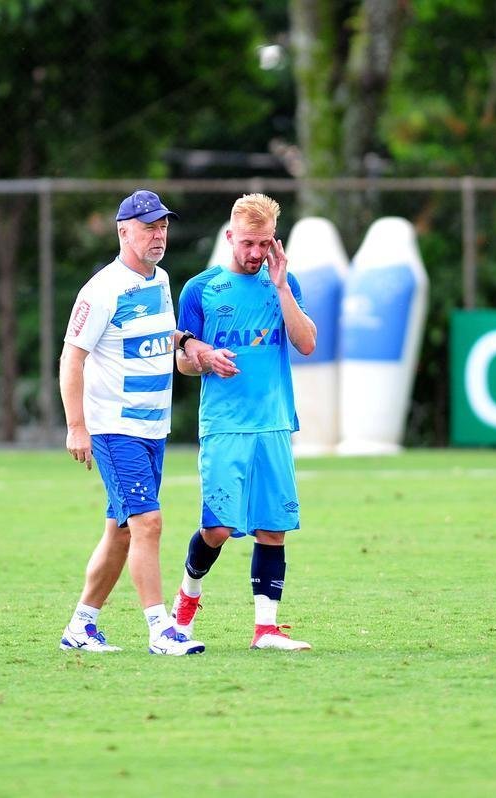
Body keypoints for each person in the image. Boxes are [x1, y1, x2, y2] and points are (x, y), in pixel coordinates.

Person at [57, 189, 204, 656]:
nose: (158, 235)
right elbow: (70, 358)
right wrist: (76, 426)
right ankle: (161, 631)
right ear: (124, 232)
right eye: (148, 227)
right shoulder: (102, 289)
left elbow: (162, 338)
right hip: (114, 427)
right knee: (148, 522)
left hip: (152, 429)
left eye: (163, 226)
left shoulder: (161, 280)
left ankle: (81, 626)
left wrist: (187, 344)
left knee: (120, 530)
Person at [170, 193, 317, 651]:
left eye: (265, 244)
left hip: (273, 423)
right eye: (249, 243)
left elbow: (307, 343)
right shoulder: (201, 289)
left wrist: (282, 287)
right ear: (230, 237)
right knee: (217, 529)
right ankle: (184, 607)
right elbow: (182, 361)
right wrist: (206, 358)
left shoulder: (283, 284)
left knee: (273, 527)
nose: (256, 253)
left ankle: (266, 630)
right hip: (225, 426)